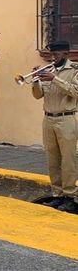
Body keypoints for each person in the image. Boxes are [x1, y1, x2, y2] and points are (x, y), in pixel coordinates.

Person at [32, 40, 78, 213]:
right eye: (51, 55)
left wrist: (55, 79)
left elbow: (76, 92)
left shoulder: (74, 70)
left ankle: (69, 196)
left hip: (66, 119)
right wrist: (36, 81)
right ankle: (57, 195)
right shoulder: (49, 70)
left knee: (68, 160)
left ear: (66, 54)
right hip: (48, 119)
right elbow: (38, 95)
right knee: (53, 160)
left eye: (56, 55)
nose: (52, 58)